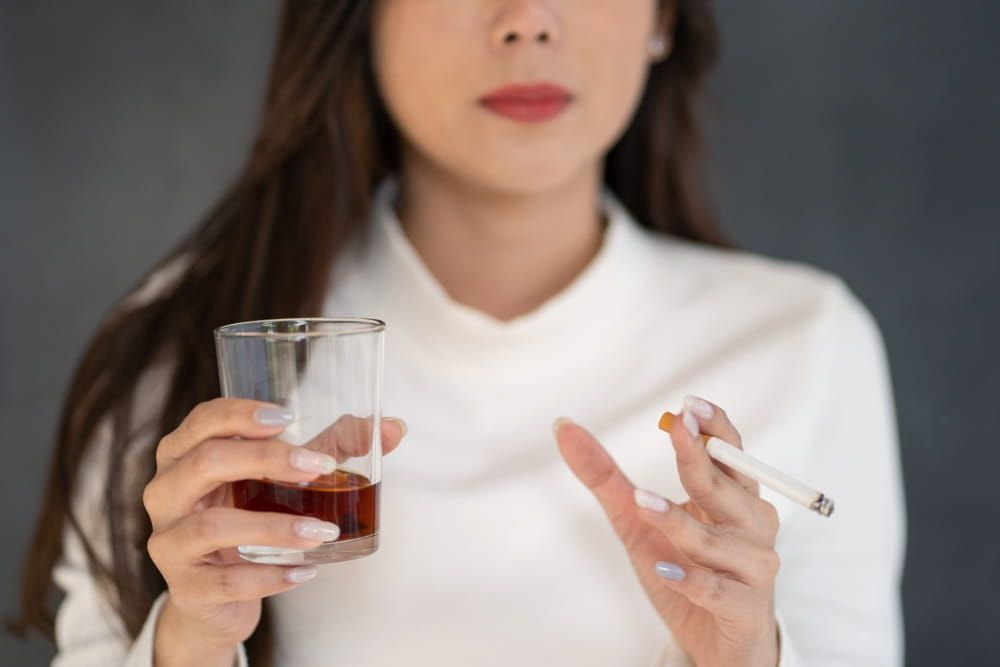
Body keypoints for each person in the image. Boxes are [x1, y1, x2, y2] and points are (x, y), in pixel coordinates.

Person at [12, 1, 905, 665]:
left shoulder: (804, 341)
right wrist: (191, 642)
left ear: (663, 19)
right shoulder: (185, 347)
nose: (527, 21)